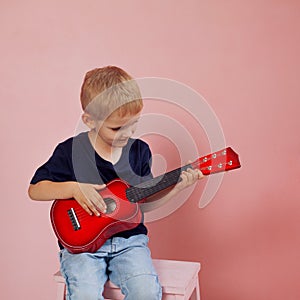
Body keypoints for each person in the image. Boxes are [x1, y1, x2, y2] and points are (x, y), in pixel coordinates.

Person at [28, 66, 203, 300]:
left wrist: (177, 187)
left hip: (129, 242)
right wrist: (74, 188)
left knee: (147, 292)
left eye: (134, 124)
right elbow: (35, 190)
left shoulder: (139, 152)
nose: (126, 133)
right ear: (89, 121)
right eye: (117, 127)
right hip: (83, 248)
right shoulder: (71, 151)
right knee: (85, 294)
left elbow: (144, 203)